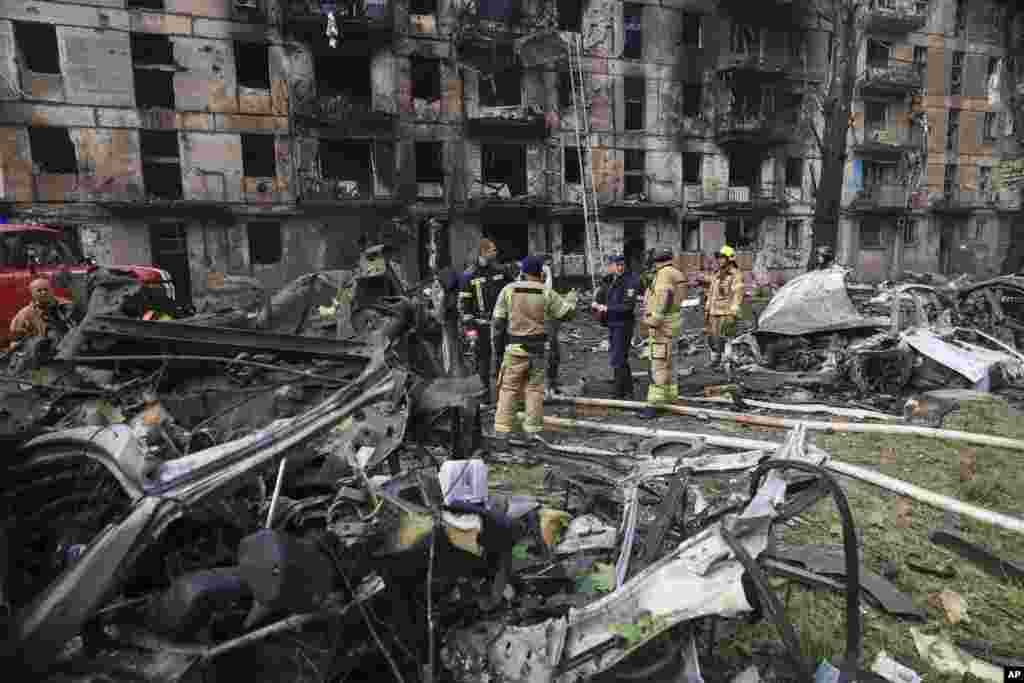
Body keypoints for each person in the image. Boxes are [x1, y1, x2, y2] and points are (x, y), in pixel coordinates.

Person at [492, 255, 577, 438]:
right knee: (534, 390)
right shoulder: (546, 292)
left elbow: (498, 324)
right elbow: (566, 315)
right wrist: (571, 300)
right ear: (540, 273)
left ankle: (501, 431)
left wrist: (498, 350)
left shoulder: (508, 290)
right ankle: (532, 433)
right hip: (538, 350)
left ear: (522, 272)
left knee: (508, 389)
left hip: (514, 349)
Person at [459, 238, 517, 400]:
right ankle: (483, 397)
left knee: (505, 358)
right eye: (492, 250)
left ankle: (504, 396)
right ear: (483, 252)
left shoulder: (501, 270)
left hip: (501, 324)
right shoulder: (468, 275)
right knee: (481, 361)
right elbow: (464, 308)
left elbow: (513, 292)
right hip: (480, 326)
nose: (495, 252)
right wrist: (471, 333)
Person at [643, 249, 687, 407]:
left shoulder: (664, 274)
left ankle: (655, 402)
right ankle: (671, 396)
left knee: (659, 362)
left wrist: (654, 319)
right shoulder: (675, 272)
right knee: (670, 362)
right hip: (673, 324)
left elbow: (664, 296)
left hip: (662, 327)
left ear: (656, 261)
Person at [594, 255, 641, 399]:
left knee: (618, 357)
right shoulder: (610, 279)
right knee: (619, 358)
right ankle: (627, 392)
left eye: (622, 264)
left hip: (623, 323)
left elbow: (627, 306)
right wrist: (596, 302)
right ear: (611, 266)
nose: (619, 267)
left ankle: (618, 393)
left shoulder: (631, 281)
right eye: (616, 265)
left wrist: (607, 309)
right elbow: (602, 295)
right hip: (613, 323)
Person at [705, 245, 746, 369]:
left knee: (726, 338)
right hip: (714, 312)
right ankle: (715, 359)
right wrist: (707, 308)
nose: (719, 260)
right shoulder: (717, 274)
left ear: (730, 259)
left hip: (726, 312)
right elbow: (711, 293)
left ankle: (726, 361)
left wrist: (733, 311)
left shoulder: (735, 274)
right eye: (718, 258)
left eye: (722, 258)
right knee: (712, 337)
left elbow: (738, 294)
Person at [10, 277, 58, 347]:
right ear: (32, 293)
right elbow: (15, 341)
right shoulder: (23, 315)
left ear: (52, 290)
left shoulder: (66, 307)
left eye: (46, 289)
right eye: (39, 290)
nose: (43, 292)